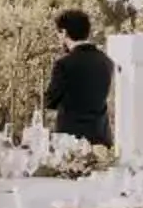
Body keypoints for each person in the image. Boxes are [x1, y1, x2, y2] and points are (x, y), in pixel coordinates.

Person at [43, 9, 114, 147]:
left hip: (71, 142)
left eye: (58, 33)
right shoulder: (106, 61)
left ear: (63, 32)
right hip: (101, 139)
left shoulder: (64, 64)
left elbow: (50, 101)